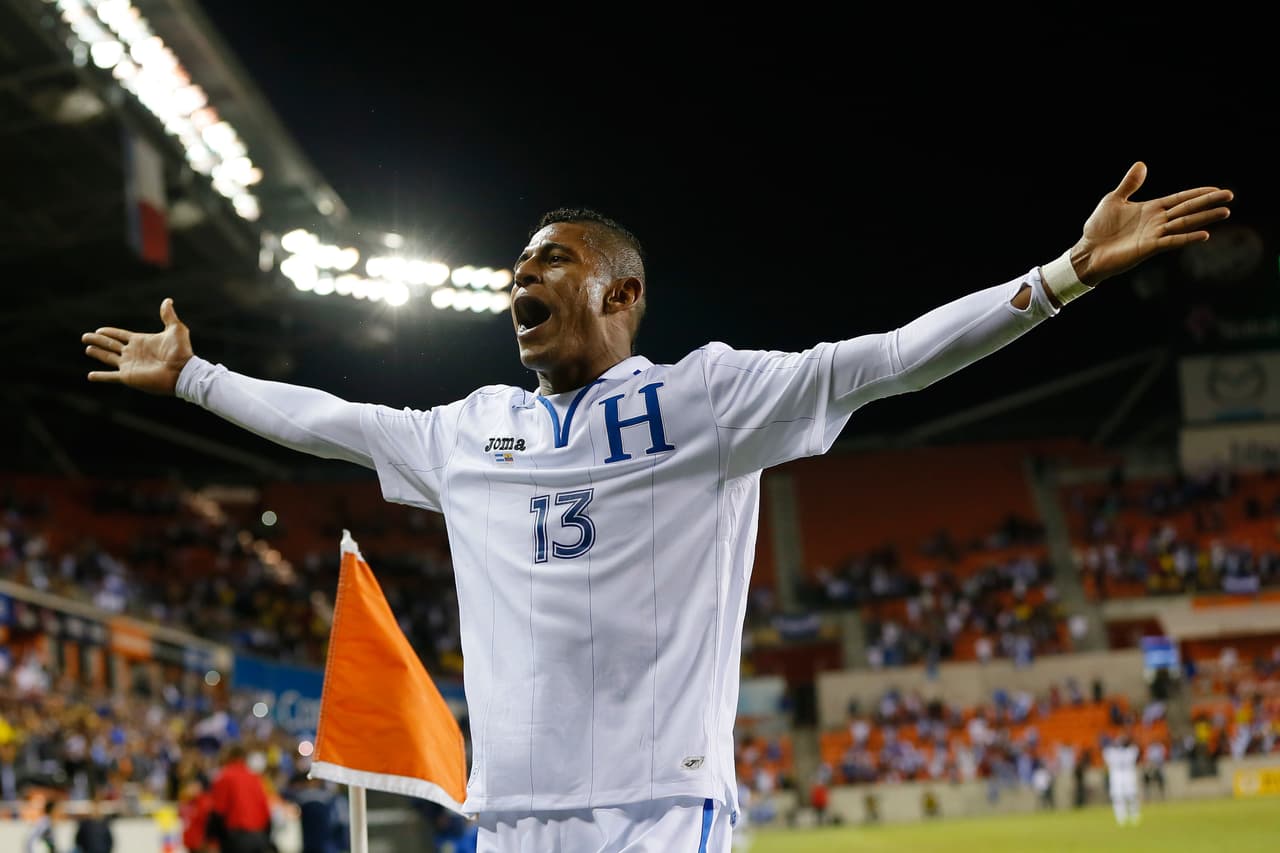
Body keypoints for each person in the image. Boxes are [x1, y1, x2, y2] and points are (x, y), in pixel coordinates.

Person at [80, 162, 1233, 852]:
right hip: (511, 816)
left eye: (547, 261)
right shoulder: (468, 429)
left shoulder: (710, 399)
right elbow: (328, 420)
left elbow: (884, 361)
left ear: (620, 291)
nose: (518, 279)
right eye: (512, 270)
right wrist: (192, 377)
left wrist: (1061, 279)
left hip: (655, 808)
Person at [207, 744, 274, 853]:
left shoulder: (225, 776)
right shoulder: (254, 777)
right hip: (259, 837)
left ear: (229, 756)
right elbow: (266, 810)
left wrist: (212, 839)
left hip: (237, 838)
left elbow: (218, 811)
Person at [1102, 734, 1142, 826]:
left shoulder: (1130, 751)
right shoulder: (1112, 752)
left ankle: (1134, 815)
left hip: (1128, 774)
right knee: (1118, 797)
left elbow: (1135, 747)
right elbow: (1105, 749)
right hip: (1117, 775)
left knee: (1131, 796)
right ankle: (1121, 817)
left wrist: (1126, 742)